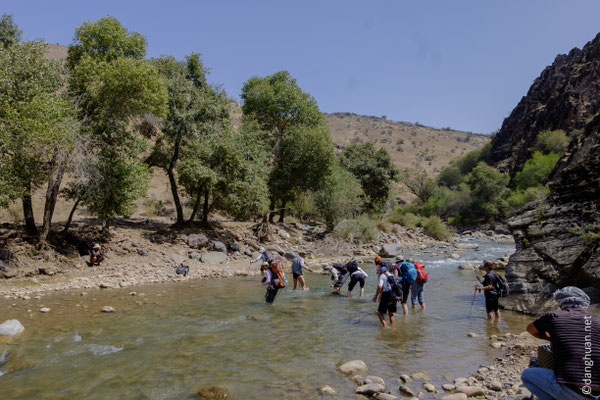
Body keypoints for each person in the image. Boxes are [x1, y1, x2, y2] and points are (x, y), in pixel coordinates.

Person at [521, 286, 600, 400]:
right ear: (584, 303)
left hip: (576, 392)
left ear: (561, 303)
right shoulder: (597, 320)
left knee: (527, 375)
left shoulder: (553, 316)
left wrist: (550, 338)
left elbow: (530, 329)